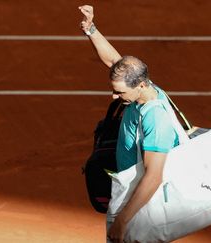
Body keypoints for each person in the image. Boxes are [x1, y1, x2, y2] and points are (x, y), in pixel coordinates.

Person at [78, 5, 180, 243]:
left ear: (140, 85)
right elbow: (114, 60)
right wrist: (91, 29)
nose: (115, 97)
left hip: (141, 205)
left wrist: (123, 221)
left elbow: (154, 177)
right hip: (129, 194)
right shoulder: (143, 86)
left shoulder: (156, 120)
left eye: (120, 92)